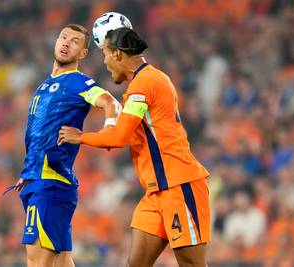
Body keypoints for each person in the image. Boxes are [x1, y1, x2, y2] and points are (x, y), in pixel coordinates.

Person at [58, 28, 211, 267]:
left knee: (191, 265)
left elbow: (118, 138)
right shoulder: (143, 84)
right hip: (155, 192)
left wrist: (81, 137)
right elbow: (123, 133)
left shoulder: (145, 83)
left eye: (106, 54)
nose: (105, 62)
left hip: (179, 185)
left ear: (118, 54)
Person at [13, 24, 121, 267]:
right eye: (63, 37)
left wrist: (109, 129)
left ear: (82, 53)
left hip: (49, 183)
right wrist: (29, 170)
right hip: (40, 179)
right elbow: (39, 134)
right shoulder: (45, 84)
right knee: (61, 261)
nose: (65, 43)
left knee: (37, 261)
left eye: (74, 41)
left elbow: (110, 103)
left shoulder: (76, 82)